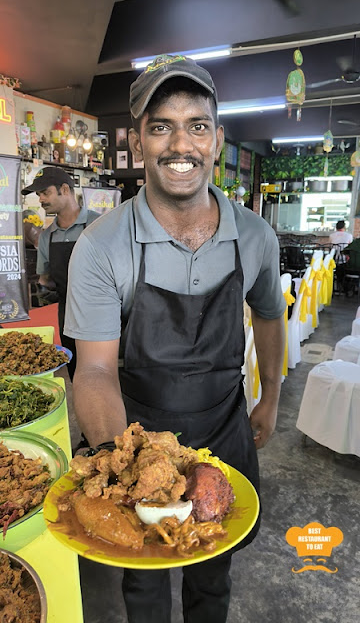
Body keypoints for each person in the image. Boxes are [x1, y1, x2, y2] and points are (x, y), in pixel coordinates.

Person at [64, 54, 286, 623]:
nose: (180, 144)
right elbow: (92, 372)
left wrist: (271, 399)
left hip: (223, 427)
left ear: (216, 139)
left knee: (213, 571)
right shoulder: (100, 245)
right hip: (132, 427)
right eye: (160, 126)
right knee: (144, 580)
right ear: (137, 142)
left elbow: (268, 315)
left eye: (197, 125)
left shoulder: (255, 237)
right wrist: (138, 473)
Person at [21, 167, 99, 380]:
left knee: (104, 373)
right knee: (76, 374)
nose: (41, 200)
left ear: (65, 189)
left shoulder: (98, 224)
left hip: (102, 312)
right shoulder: (47, 237)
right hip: (68, 316)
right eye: (38, 196)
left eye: (45, 193)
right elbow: (45, 278)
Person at [330, 220, 353, 293]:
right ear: (344, 227)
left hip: (334, 259)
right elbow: (350, 247)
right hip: (345, 259)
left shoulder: (331, 235)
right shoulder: (349, 235)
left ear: (336, 227)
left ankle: (336, 285)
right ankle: (346, 287)